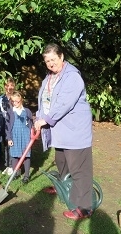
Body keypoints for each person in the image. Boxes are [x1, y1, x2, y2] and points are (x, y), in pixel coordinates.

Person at [34, 43, 93, 220]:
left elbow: (64, 103)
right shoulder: (49, 78)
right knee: (62, 163)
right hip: (60, 133)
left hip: (74, 132)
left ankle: (84, 207)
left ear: (61, 57)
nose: (50, 63)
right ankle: (62, 187)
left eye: (53, 59)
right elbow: (43, 101)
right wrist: (38, 118)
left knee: (79, 169)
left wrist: (47, 119)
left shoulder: (72, 77)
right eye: (47, 61)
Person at [5, 91, 33, 183]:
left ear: (21, 100)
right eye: (13, 101)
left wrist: (32, 134)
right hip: (15, 135)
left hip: (25, 136)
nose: (15, 103)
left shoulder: (27, 111)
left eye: (17, 101)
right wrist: (9, 138)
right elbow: (7, 126)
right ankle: (16, 173)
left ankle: (26, 175)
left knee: (26, 155)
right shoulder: (10, 112)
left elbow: (30, 124)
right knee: (14, 155)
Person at [0, 77, 16, 175]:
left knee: (12, 144)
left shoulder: (16, 97)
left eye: (12, 86)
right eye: (8, 86)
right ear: (5, 87)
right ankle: (7, 164)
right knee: (5, 145)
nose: (10, 88)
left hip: (13, 124)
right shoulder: (0, 98)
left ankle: (13, 165)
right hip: (3, 125)